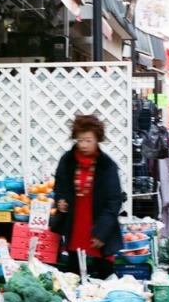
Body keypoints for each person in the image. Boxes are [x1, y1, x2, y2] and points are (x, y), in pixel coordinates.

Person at [52, 114, 124, 279]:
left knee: (104, 272)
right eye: (80, 140)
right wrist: (60, 200)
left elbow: (114, 200)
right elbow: (60, 185)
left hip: (98, 225)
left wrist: (102, 232)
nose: (83, 145)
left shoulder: (107, 165)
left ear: (97, 140)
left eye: (88, 140)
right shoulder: (67, 160)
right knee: (73, 273)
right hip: (75, 224)